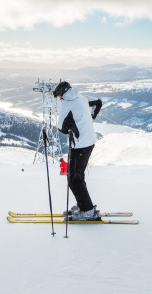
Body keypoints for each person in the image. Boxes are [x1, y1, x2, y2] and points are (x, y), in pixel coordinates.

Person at [54, 81, 102, 221]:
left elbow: (61, 128)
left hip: (80, 145)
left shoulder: (65, 104)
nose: (59, 99)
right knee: (78, 176)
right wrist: (92, 117)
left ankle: (87, 211)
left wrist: (70, 125)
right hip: (89, 141)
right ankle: (84, 205)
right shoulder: (81, 98)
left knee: (73, 179)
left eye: (59, 96)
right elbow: (98, 102)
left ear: (62, 94)